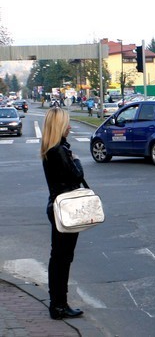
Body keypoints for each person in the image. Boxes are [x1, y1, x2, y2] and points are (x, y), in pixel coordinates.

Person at [40, 107, 85, 320]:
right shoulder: (58, 150)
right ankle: (59, 305)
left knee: (59, 256)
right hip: (65, 208)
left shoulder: (50, 149)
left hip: (57, 206)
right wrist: (76, 159)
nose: (70, 126)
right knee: (62, 258)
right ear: (59, 125)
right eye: (66, 122)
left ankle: (58, 303)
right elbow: (76, 175)